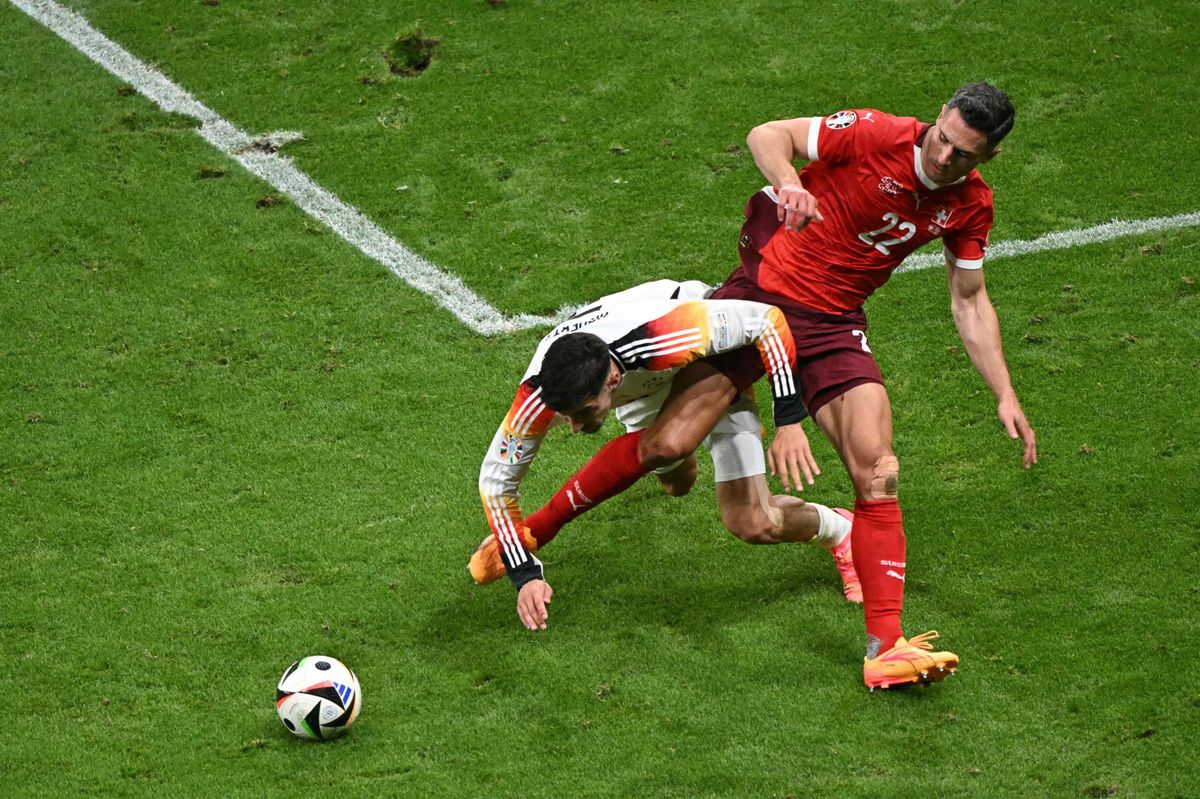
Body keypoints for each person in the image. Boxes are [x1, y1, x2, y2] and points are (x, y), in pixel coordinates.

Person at [503, 83, 1037, 691]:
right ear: (939, 117)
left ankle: (884, 646)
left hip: (833, 322)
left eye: (963, 154)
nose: (944, 158)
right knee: (668, 447)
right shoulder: (878, 133)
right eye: (943, 139)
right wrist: (791, 182)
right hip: (761, 292)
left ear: (987, 156)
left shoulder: (970, 205)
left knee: (879, 471)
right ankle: (536, 529)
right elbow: (767, 135)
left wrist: (1003, 391)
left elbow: (969, 301)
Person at [473, 279, 862, 632]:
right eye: (567, 416)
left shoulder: (668, 334)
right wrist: (526, 575)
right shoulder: (539, 397)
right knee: (679, 481)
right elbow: (496, 481)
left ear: (610, 379)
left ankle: (844, 532)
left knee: (749, 519)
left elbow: (767, 322)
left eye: (584, 414)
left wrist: (789, 420)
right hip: (641, 386)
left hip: (701, 362)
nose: (575, 429)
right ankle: (698, 433)